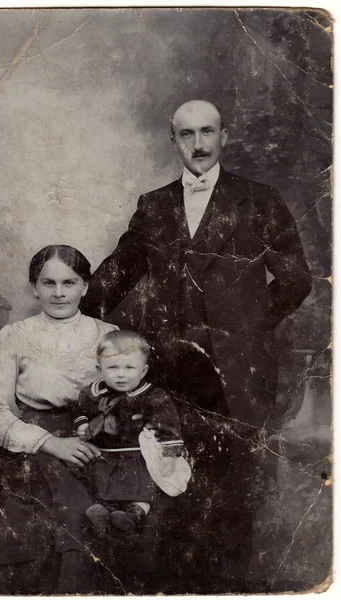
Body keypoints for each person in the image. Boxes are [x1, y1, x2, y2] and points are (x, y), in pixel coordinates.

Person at [81, 100, 313, 592]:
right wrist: (67, 308)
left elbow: (295, 279)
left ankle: (229, 591)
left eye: (208, 132)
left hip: (239, 372)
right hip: (169, 373)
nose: (199, 145)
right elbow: (115, 276)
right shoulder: (154, 205)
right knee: (171, 482)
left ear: (224, 135)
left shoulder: (260, 199)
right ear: (173, 141)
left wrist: (247, 330)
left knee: (233, 493)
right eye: (186, 135)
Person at [0, 244, 117, 594]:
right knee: (32, 555)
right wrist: (51, 443)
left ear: (85, 286)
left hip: (94, 451)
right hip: (31, 454)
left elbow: (128, 403)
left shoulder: (108, 336)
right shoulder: (14, 336)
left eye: (69, 283)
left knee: (88, 552)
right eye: (48, 283)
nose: (58, 293)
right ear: (34, 286)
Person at [72, 330, 190, 534]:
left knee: (139, 487)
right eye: (112, 367)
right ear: (99, 369)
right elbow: (80, 409)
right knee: (105, 483)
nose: (120, 374)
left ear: (143, 371)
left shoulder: (152, 396)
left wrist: (170, 456)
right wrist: (82, 424)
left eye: (129, 368)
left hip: (137, 454)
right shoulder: (93, 392)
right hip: (105, 454)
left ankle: (135, 514)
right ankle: (104, 509)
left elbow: (167, 427)